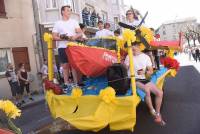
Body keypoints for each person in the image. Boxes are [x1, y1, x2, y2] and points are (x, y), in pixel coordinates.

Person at [124, 43, 166, 126]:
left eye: (134, 49)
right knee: (146, 90)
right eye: (131, 49)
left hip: (142, 78)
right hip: (132, 79)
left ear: (138, 47)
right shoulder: (129, 56)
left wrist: (145, 72)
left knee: (160, 93)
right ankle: (151, 110)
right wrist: (125, 63)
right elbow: (125, 70)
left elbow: (150, 71)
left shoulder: (146, 57)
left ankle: (157, 113)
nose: (132, 51)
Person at [52, 5, 82, 88]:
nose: (70, 12)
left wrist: (74, 37)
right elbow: (54, 37)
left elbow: (80, 33)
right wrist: (63, 38)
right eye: (68, 10)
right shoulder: (57, 23)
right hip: (62, 47)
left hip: (73, 46)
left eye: (70, 10)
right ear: (63, 12)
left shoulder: (74, 21)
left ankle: (76, 84)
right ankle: (66, 84)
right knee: (65, 66)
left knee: (74, 66)